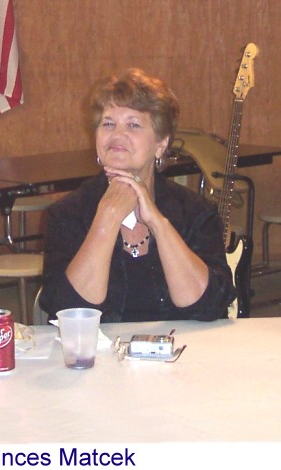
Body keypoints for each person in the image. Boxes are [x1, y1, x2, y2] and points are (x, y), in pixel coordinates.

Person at [40, 68, 235, 323]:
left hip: (182, 346)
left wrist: (158, 223)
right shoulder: (67, 213)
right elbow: (67, 311)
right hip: (99, 349)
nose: (117, 135)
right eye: (108, 123)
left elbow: (209, 307)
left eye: (133, 124)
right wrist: (107, 218)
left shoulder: (196, 212)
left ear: (161, 143)